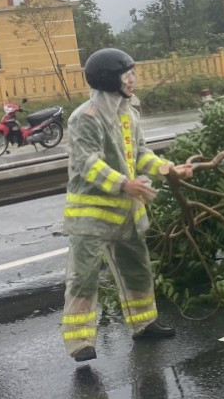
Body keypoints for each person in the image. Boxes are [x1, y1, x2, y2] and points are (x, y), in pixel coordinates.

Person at [60, 47, 192, 363]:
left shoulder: (128, 114)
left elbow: (141, 154)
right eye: (126, 75)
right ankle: (80, 342)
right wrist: (124, 183)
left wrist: (168, 168)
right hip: (91, 216)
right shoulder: (84, 118)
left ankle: (144, 324)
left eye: (133, 74)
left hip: (127, 213)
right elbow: (86, 163)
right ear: (109, 80)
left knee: (137, 270)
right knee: (84, 277)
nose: (133, 80)